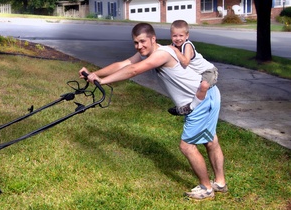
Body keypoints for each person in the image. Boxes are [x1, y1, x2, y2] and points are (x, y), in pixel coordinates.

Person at [79, 22, 227, 200]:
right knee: (210, 141)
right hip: (209, 95)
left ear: (153, 39)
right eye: (135, 43)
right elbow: (123, 64)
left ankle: (206, 188)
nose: (139, 46)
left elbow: (133, 70)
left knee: (187, 146)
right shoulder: (148, 52)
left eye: (142, 41)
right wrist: (96, 74)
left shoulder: (162, 54)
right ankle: (220, 183)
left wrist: (103, 82)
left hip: (201, 99)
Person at [167, 20, 219, 116]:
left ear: (187, 36)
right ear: (171, 35)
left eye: (181, 35)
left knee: (203, 86)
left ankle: (190, 107)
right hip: (196, 74)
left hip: (208, 71)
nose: (178, 38)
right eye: (175, 36)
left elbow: (186, 62)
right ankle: (182, 104)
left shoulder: (187, 45)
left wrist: (175, 50)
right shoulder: (173, 46)